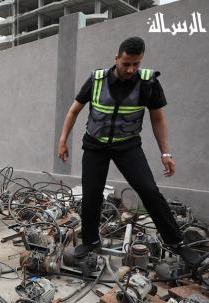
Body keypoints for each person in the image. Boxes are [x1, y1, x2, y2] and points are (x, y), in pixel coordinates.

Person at [58, 37, 198, 264]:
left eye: (136, 64)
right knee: (91, 195)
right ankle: (90, 241)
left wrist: (166, 153)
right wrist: (63, 140)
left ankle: (177, 243)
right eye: (126, 64)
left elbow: (158, 119)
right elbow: (74, 111)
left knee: (149, 190)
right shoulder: (97, 79)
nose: (131, 69)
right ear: (117, 59)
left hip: (128, 145)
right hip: (95, 145)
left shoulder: (148, 83)